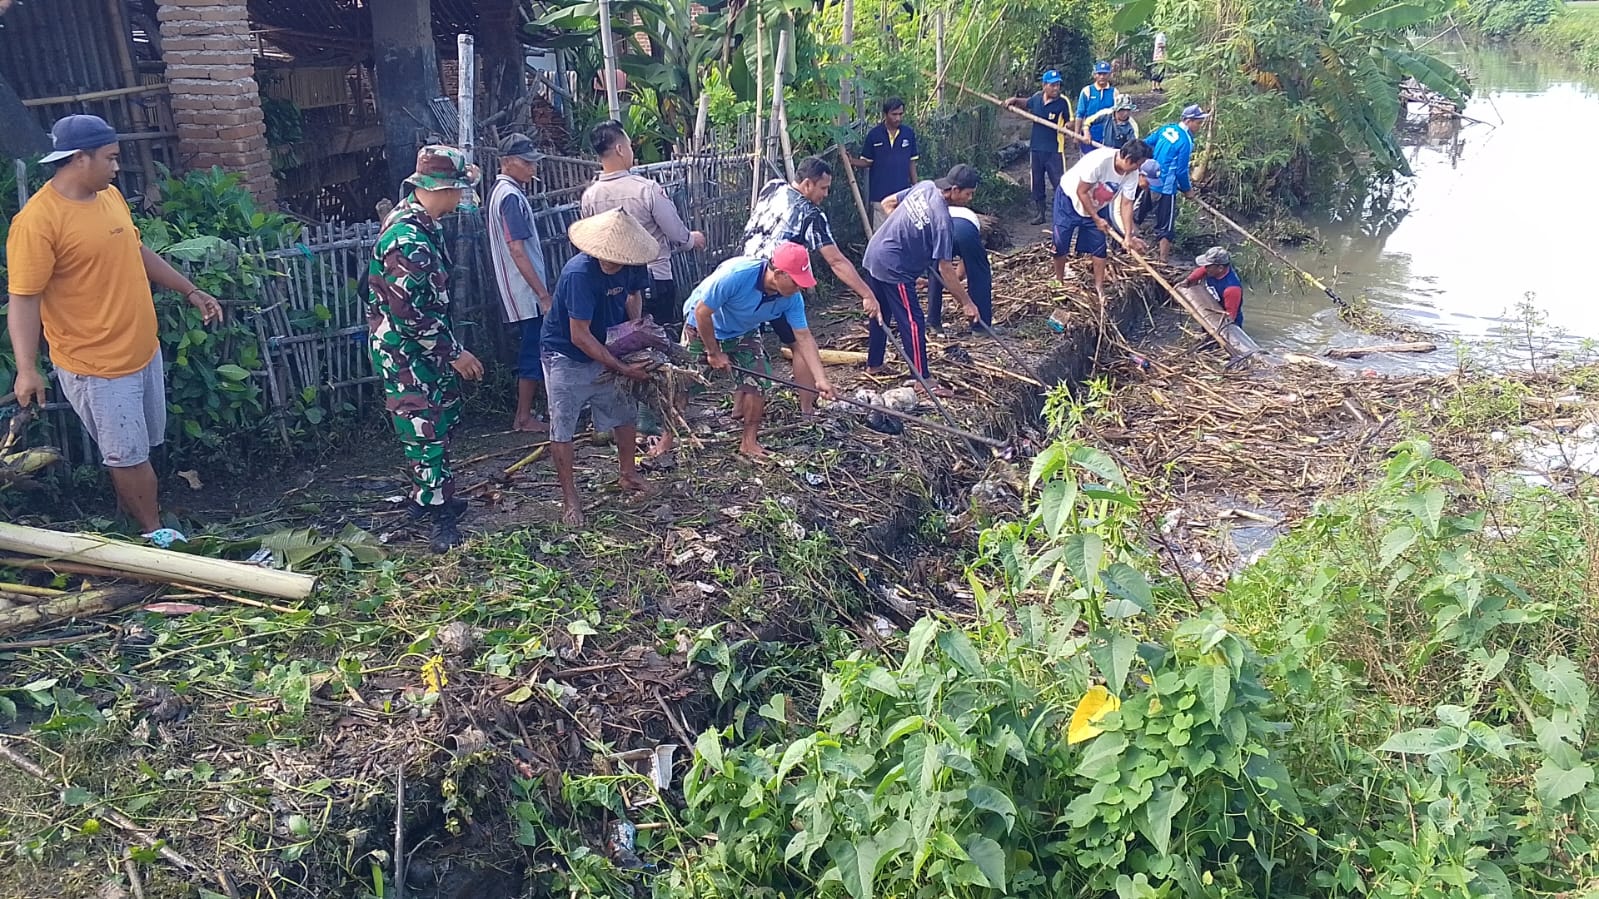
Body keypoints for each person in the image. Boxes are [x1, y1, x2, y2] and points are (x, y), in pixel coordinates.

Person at [6, 115, 224, 549]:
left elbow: (135, 248)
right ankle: (154, 537)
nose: (117, 167)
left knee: (141, 447)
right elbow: (24, 298)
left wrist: (189, 289)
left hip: (141, 349)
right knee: (127, 456)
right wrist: (27, 368)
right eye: (110, 158)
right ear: (79, 159)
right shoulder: (38, 222)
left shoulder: (108, 198)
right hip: (96, 363)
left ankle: (136, 519)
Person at [366, 145, 484, 553]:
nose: (460, 199)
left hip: (420, 349)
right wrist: (455, 352)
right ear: (445, 189)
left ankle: (429, 495)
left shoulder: (419, 220)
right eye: (459, 191)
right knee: (425, 428)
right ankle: (439, 517)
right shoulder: (407, 240)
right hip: (406, 352)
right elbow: (410, 314)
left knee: (440, 417)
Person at [657, 244, 835, 459]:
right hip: (703, 327)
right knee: (682, 385)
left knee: (758, 383)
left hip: (744, 332)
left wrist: (820, 379)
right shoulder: (737, 275)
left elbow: (804, 337)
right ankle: (666, 439)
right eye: (796, 282)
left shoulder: (791, 298)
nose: (800, 288)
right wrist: (713, 352)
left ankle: (749, 442)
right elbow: (702, 312)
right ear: (779, 273)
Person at [541, 209, 658, 527]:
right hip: (566, 354)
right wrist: (620, 366)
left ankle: (628, 474)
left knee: (625, 413)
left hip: (608, 342)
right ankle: (570, 499)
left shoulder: (634, 264)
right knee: (563, 425)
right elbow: (579, 336)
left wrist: (633, 332)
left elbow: (634, 295)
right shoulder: (579, 274)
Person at [740, 156, 879, 415]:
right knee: (800, 343)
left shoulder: (772, 187)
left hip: (745, 276)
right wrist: (866, 293)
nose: (825, 194)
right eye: (823, 188)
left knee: (745, 339)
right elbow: (836, 261)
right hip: (779, 281)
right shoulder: (811, 214)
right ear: (806, 184)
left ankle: (739, 409)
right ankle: (807, 409)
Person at [863, 164, 981, 397]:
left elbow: (889, 203)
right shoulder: (943, 221)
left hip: (875, 252)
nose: (969, 199)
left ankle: (874, 364)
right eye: (968, 194)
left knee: (880, 314)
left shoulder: (925, 186)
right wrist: (967, 303)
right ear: (955, 190)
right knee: (914, 322)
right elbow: (946, 269)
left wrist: (907, 233)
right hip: (894, 268)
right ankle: (922, 379)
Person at [580, 120, 705, 326]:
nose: (631, 151)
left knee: (620, 344)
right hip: (653, 277)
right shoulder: (646, 190)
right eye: (629, 146)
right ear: (620, 149)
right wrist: (692, 240)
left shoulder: (590, 196)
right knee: (657, 340)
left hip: (610, 284)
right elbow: (674, 232)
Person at [487, 132, 555, 433]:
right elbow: (516, 249)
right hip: (525, 290)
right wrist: (542, 293)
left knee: (535, 347)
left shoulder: (503, 193)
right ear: (508, 163)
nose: (532, 169)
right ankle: (524, 416)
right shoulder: (510, 197)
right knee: (533, 349)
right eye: (527, 163)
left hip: (523, 287)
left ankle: (535, 410)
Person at [1053, 140, 1154, 297]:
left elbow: (1127, 204)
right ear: (1127, 158)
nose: (1138, 168)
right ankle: (1059, 281)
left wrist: (1128, 236)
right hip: (1070, 199)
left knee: (1099, 248)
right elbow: (1082, 192)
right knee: (1061, 243)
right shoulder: (1099, 162)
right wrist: (1096, 219)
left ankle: (1099, 287)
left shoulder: (1132, 174)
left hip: (1098, 205)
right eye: (1137, 164)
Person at [1139, 104, 1207, 263]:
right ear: (1189, 121)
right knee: (1166, 227)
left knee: (1138, 214)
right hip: (1166, 188)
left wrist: (1146, 164)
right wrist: (1188, 190)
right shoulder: (1186, 141)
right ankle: (1163, 260)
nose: (1200, 126)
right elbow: (1181, 171)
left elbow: (1146, 143)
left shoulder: (1167, 128)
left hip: (1150, 180)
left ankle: (1123, 244)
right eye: (1198, 122)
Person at [1004, 71, 1071, 226]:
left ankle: (1063, 213)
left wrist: (1067, 127)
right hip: (1036, 149)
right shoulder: (1036, 99)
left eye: (1058, 85)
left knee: (1060, 183)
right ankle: (1040, 213)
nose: (1056, 88)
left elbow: (1070, 122)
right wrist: (1014, 100)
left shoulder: (1062, 102)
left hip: (1054, 149)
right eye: (1052, 85)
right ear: (1044, 86)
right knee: (1037, 181)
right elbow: (1026, 103)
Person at [851, 98, 919, 229]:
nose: (898, 118)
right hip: (880, 196)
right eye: (894, 114)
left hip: (902, 195)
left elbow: (912, 162)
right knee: (881, 233)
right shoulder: (874, 135)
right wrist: (851, 161)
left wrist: (915, 187)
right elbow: (867, 162)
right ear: (885, 114)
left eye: (900, 114)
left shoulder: (908, 134)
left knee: (901, 231)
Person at [927, 206, 993, 335]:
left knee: (935, 274)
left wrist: (951, 281)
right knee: (980, 273)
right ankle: (980, 327)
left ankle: (933, 323)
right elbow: (968, 263)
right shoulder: (974, 223)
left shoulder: (944, 209)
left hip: (938, 231)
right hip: (964, 233)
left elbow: (957, 272)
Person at [1185, 246, 1245, 327]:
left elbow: (1230, 316)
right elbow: (1201, 271)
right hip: (1213, 308)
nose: (1205, 268)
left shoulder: (1232, 289)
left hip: (1226, 317)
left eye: (1208, 266)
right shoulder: (1212, 271)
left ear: (1220, 268)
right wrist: (1188, 280)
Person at [1076, 62, 1117, 153]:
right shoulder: (1087, 91)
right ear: (1095, 75)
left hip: (1107, 136)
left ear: (1109, 75)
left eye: (1105, 74)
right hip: (1089, 135)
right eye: (1099, 74)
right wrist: (1077, 134)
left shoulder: (1114, 92)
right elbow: (1080, 114)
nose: (1102, 76)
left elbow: (1117, 115)